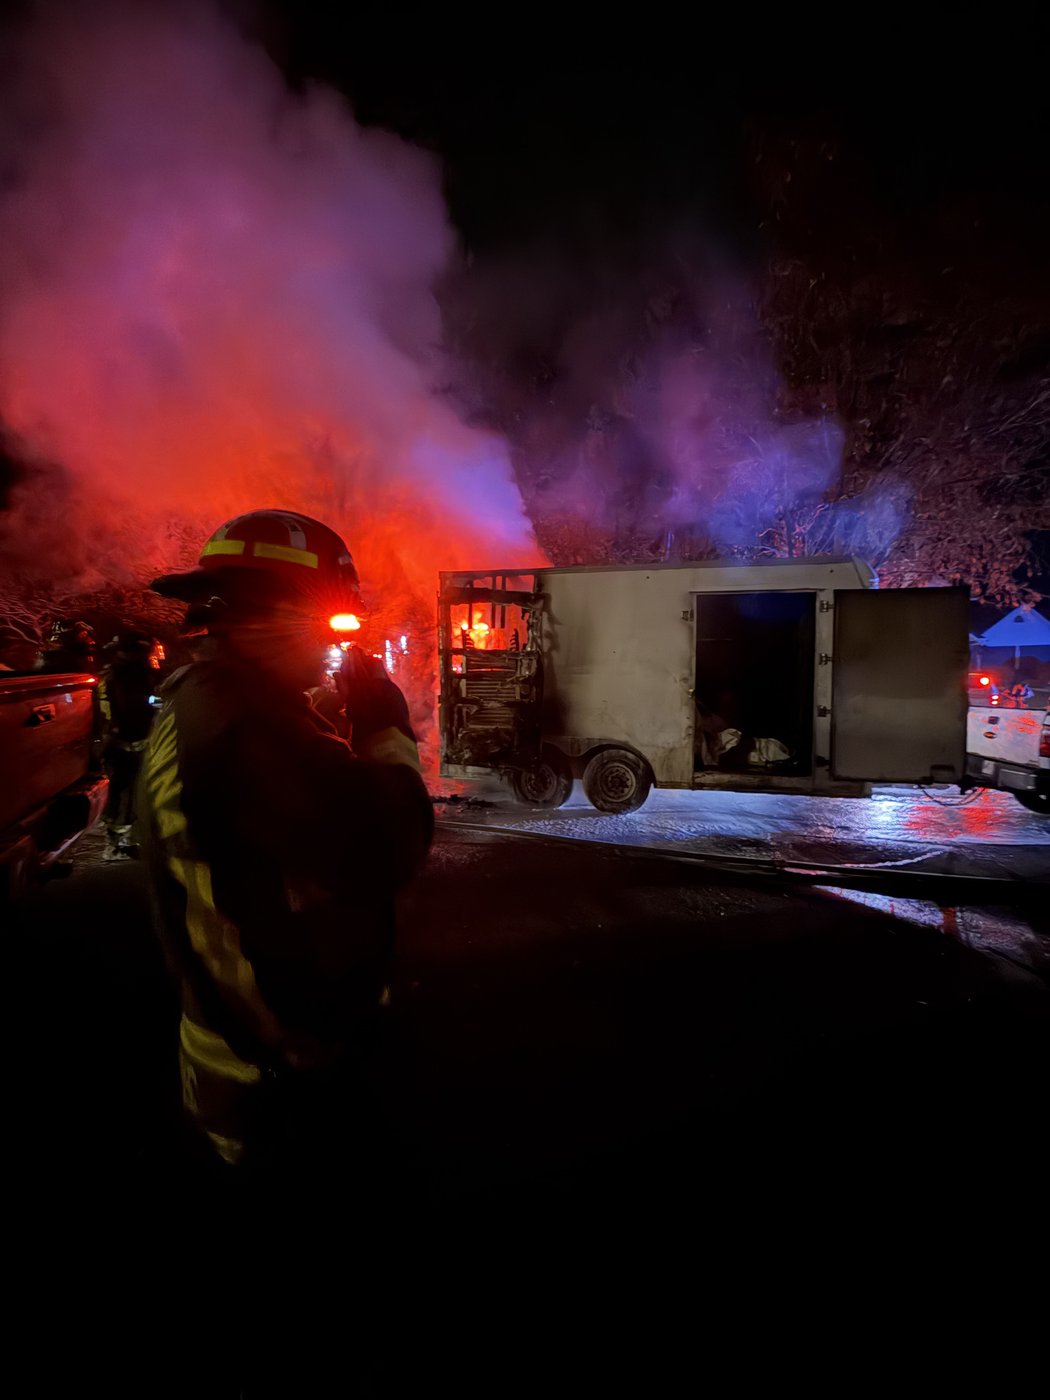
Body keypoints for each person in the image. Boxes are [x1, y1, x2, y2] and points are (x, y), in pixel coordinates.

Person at [139, 509, 433, 1173]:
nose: (328, 647)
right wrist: (386, 724)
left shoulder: (199, 694)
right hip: (281, 1075)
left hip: (237, 1049)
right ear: (283, 611)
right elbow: (392, 844)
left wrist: (320, 722)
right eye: (328, 622)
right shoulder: (248, 728)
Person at [95, 629, 160, 861]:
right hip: (126, 743)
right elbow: (134, 707)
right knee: (122, 793)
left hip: (128, 741)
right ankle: (115, 845)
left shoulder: (124, 672)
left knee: (128, 793)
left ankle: (122, 841)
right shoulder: (126, 675)